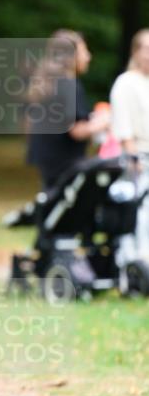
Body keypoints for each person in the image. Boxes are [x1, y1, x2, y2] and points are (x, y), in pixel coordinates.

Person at [26, 29, 109, 189]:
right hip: (65, 160)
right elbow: (76, 131)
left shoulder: (52, 82)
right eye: (84, 51)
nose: (89, 57)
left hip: (48, 158)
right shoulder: (69, 85)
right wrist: (104, 121)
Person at [110, 28, 149, 261]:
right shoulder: (126, 83)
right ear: (135, 52)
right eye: (145, 49)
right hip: (138, 158)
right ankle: (137, 263)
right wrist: (133, 157)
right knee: (140, 215)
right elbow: (123, 127)